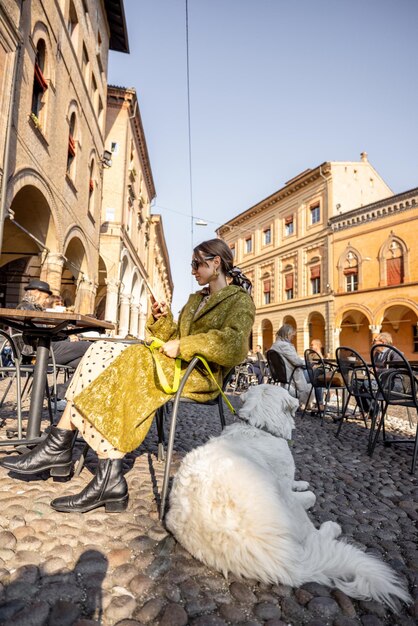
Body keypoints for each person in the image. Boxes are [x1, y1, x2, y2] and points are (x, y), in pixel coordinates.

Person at [0, 239, 255, 514]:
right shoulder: (195, 300)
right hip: (174, 365)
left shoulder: (239, 301)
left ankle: (63, 448)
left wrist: (185, 345)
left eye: (197, 264)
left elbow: (234, 345)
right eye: (192, 265)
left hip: (199, 375)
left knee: (131, 359)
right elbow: (170, 338)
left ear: (216, 262)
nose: (193, 270)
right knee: (101, 348)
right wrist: (162, 319)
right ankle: (71, 449)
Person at [16, 279, 92, 405]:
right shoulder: (26, 308)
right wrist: (67, 338)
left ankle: (58, 394)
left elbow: (42, 333)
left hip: (43, 348)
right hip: (39, 351)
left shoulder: (32, 308)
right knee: (90, 347)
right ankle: (58, 394)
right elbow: (41, 335)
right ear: (36, 293)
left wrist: (66, 336)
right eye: (45, 298)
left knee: (86, 362)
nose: (46, 301)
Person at [270, 324, 312, 409]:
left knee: (312, 373)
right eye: (291, 335)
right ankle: (318, 404)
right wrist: (307, 363)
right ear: (287, 334)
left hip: (281, 375)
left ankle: (309, 404)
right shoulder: (285, 345)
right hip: (291, 375)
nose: (292, 337)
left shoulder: (274, 345)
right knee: (315, 375)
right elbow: (296, 361)